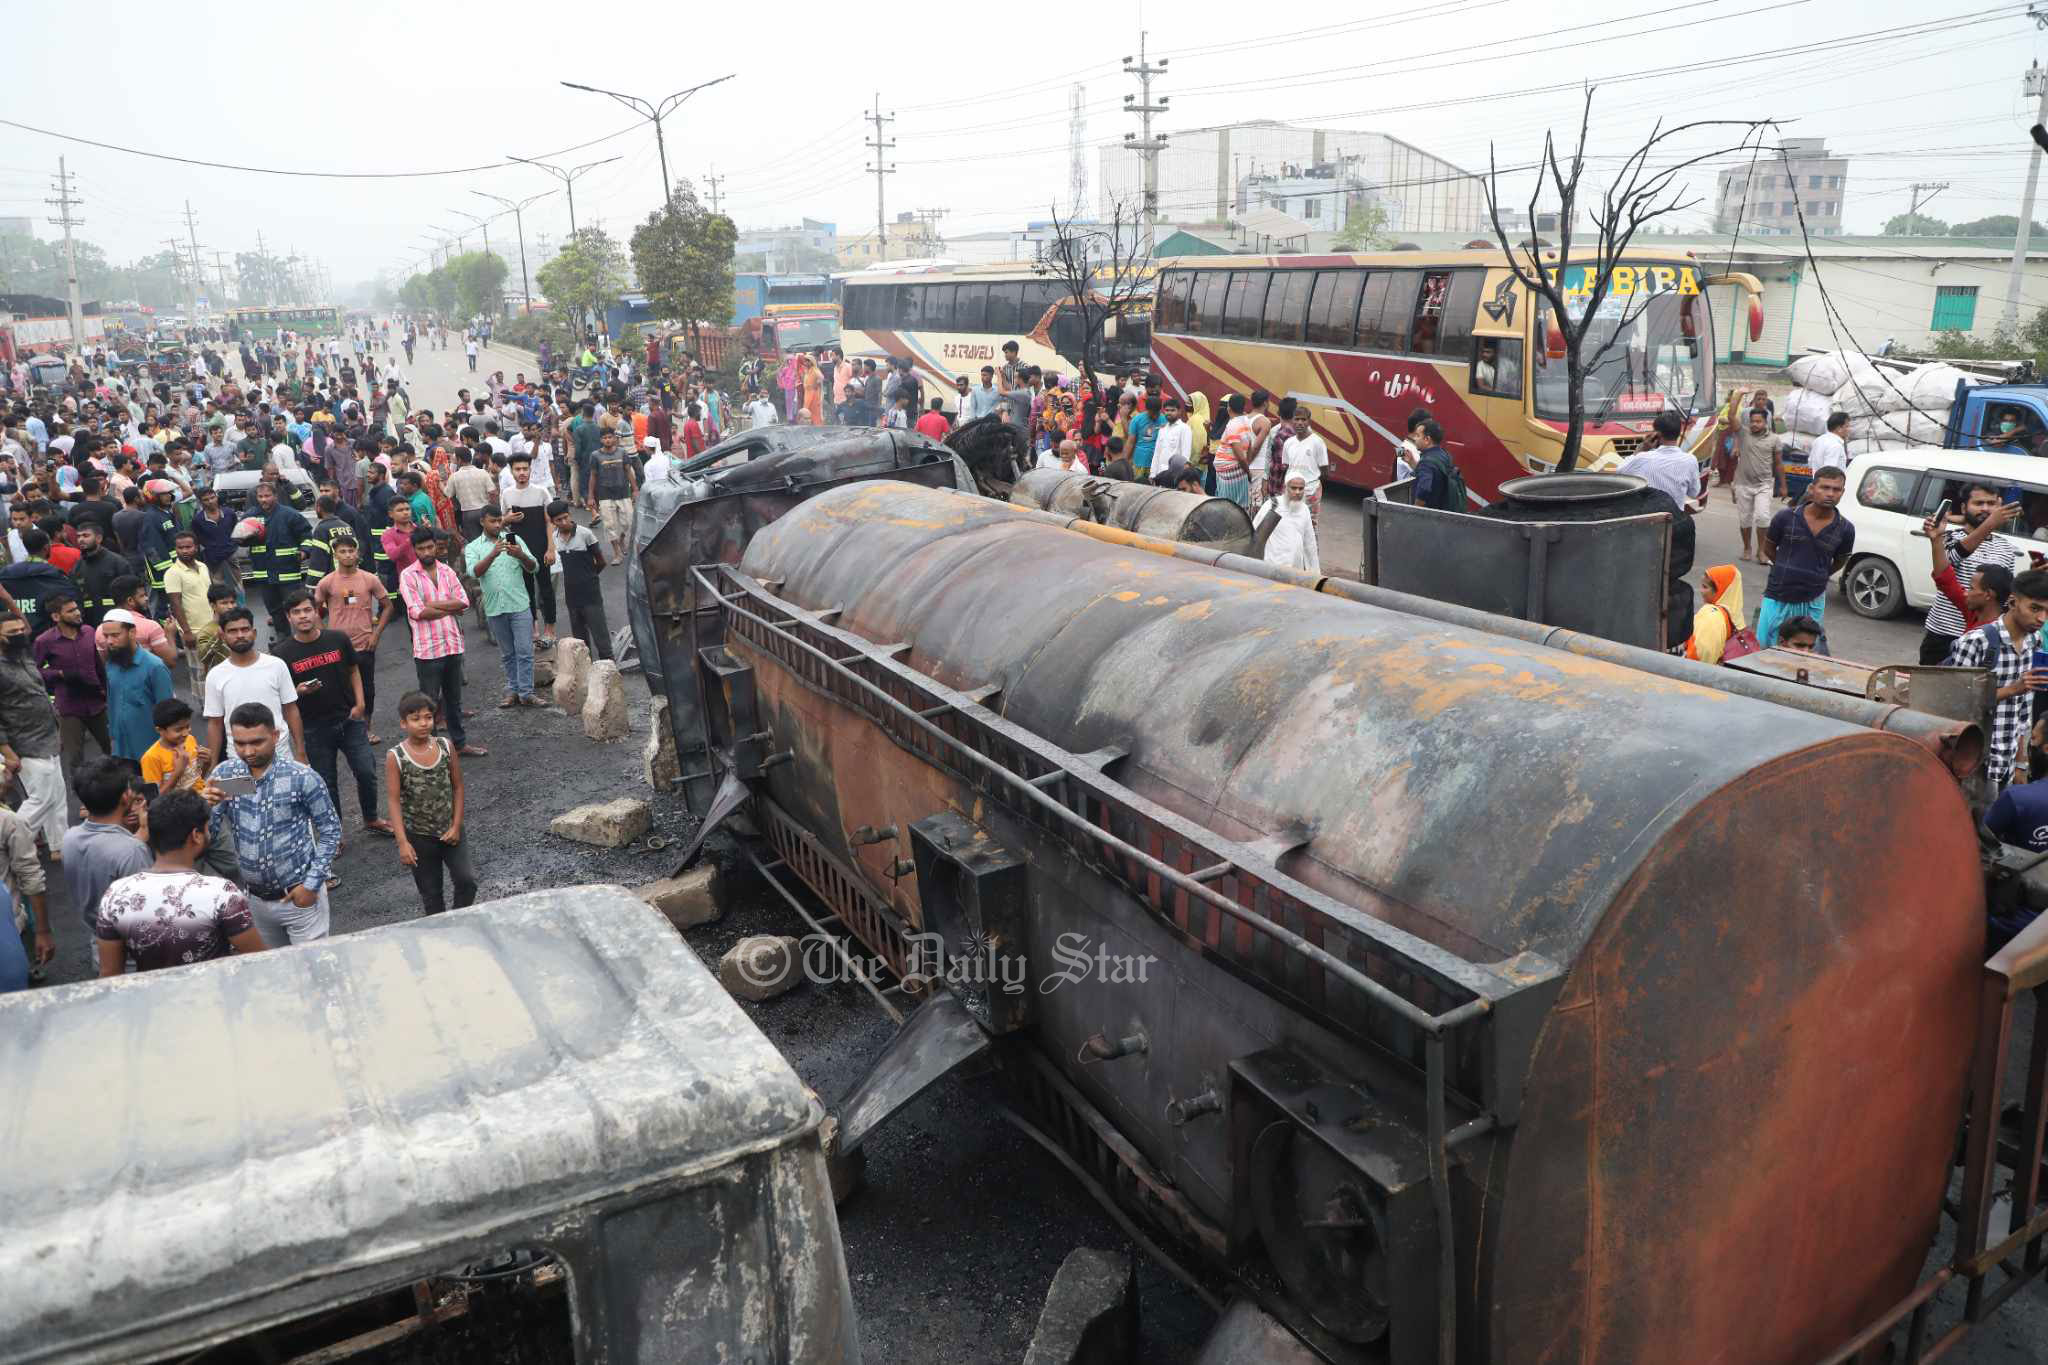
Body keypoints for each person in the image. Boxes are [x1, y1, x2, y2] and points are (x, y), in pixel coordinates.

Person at [204, 701, 341, 946]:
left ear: (275, 735)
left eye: (256, 742)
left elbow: (331, 830)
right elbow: (208, 836)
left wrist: (311, 885)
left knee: (313, 973)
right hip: (255, 903)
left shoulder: (302, 778)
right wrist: (205, 808)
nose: (247, 752)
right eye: (240, 744)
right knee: (275, 975)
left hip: (300, 899)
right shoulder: (227, 775)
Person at [95, 789, 266, 975]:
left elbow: (109, 974)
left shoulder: (116, 894)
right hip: (212, 998)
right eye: (207, 828)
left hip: (150, 1001)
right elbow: (260, 961)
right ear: (196, 835)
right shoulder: (222, 894)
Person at [275, 590, 388, 835]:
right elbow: (284, 697)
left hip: (349, 720)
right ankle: (334, 833)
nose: (303, 616)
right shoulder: (282, 655)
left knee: (367, 772)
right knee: (326, 784)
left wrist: (360, 705)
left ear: (317, 612)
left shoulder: (337, 639)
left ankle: (371, 818)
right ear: (288, 617)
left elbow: (353, 671)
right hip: (314, 728)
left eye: (307, 610)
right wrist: (298, 691)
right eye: (297, 612)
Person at [1944, 570, 2048, 787]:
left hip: (2006, 766)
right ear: (2012, 602)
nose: (2041, 619)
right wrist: (2013, 689)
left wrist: (2021, 764)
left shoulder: (2034, 642)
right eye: (2035, 608)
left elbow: (2022, 716)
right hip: (1971, 763)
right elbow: (1954, 703)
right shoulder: (1976, 642)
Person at [386, 690, 476, 917]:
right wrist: (402, 843)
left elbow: (458, 786)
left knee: (467, 882)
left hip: (450, 830)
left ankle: (458, 920)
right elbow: (393, 800)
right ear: (403, 723)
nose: (423, 723)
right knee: (431, 895)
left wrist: (456, 826)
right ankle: (440, 937)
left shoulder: (445, 746)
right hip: (419, 836)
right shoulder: (396, 756)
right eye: (415, 719)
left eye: (427, 717)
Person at [399, 527, 486, 757]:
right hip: (428, 650)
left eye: (430, 547)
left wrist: (433, 605)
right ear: (414, 549)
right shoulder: (408, 575)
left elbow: (464, 602)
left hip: (452, 645)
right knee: (428, 704)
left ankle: (459, 744)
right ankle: (431, 750)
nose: (427, 552)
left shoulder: (446, 570)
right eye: (421, 548)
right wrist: (448, 606)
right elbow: (417, 611)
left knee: (454, 700)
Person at [62, 758, 152, 968]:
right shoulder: (131, 850)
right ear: (126, 796)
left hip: (98, 944)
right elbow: (146, 912)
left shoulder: (70, 837)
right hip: (134, 957)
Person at [1923, 483, 2021, 666]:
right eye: (1979, 503)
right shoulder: (1950, 537)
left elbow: (2005, 593)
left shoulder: (2006, 547)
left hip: (1984, 637)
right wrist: (1990, 524)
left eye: (1991, 503)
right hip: (1943, 634)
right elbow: (1946, 569)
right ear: (1963, 508)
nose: (1985, 508)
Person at [1756, 465, 1854, 648]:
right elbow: (1768, 548)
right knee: (1765, 646)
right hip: (1778, 594)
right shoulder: (1785, 517)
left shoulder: (1845, 528)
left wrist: (1819, 573)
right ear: (1812, 488)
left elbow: (1841, 560)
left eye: (1836, 489)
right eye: (1825, 487)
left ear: (1842, 492)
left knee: (1804, 651)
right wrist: (1785, 567)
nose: (1830, 494)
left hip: (1813, 599)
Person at [0, 612, 67, 856]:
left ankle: (59, 846)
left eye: (21, 630)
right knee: (41, 799)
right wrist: (7, 753)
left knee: (58, 794)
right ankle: (9, 843)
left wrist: (56, 731)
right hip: (24, 743)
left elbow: (39, 695)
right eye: (12, 633)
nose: (20, 634)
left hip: (48, 736)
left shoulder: (23, 656)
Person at [314, 534, 393, 743]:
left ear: (357, 553)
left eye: (351, 551)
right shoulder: (327, 582)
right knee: (340, 688)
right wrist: (323, 636)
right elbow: (314, 611)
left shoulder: (369, 578)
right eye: (343, 551)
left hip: (365, 644)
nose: (348, 555)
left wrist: (376, 634)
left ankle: (366, 728)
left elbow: (388, 607)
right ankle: (344, 729)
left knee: (367, 688)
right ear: (336, 555)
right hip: (337, 646)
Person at [203, 606, 306, 765]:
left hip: (281, 755)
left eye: (245, 629)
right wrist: (213, 766)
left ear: (254, 632)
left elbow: (291, 709)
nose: (240, 635)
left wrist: (300, 752)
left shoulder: (276, 665)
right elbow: (215, 724)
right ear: (222, 636)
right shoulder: (215, 676)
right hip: (239, 759)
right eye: (233, 631)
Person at [464, 505, 542, 707]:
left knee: (525, 650)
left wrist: (521, 556)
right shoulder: (473, 547)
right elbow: (474, 573)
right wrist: (492, 554)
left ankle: (527, 692)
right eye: (493, 521)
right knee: (508, 654)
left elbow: (534, 567)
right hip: (495, 608)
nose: (497, 524)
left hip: (519, 605)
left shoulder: (514, 541)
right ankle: (513, 691)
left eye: (500, 521)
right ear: (482, 521)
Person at [34, 592, 112, 772]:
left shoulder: (89, 632)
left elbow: (98, 664)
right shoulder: (44, 641)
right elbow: (34, 670)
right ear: (56, 617)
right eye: (70, 611)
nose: (77, 613)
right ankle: (84, 795)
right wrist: (59, 673)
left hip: (97, 702)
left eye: (77, 608)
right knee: (76, 759)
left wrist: (106, 691)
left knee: (112, 748)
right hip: (69, 707)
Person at [100, 609, 174, 762]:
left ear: (132, 632)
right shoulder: (111, 665)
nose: (109, 641)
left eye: (115, 635)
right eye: (106, 636)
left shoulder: (155, 667)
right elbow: (112, 704)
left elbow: (168, 714)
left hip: (151, 753)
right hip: (121, 752)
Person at [1922, 512, 2013, 634]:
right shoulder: (1974, 614)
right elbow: (1945, 579)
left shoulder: (2003, 631)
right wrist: (1936, 539)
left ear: (1988, 595)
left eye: (1971, 588)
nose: (1965, 593)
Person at [550, 499, 613, 662]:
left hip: (590, 593)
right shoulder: (554, 538)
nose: (564, 522)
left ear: (570, 515)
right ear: (552, 522)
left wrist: (590, 577)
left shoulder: (585, 533)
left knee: (601, 635)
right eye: (558, 520)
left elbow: (601, 561)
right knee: (580, 639)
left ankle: (609, 668)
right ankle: (587, 669)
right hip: (571, 595)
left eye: (565, 517)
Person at [1729, 407, 1784, 563]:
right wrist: (1738, 394)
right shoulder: (1743, 433)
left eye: (1758, 421)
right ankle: (1747, 548)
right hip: (1743, 484)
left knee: (1763, 517)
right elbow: (1731, 415)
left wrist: (1783, 486)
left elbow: (1779, 464)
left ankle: (1762, 550)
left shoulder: (1774, 439)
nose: (1755, 424)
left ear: (1765, 422)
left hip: (1764, 484)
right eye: (1752, 421)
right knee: (1744, 519)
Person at [1615, 412, 1703, 510]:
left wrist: (1639, 450)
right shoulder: (1690, 460)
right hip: (1676, 519)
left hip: (1649, 518)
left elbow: (1619, 471)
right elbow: (1694, 493)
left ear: (1656, 434)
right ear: (1679, 432)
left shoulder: (1642, 458)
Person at [587, 427, 639, 561]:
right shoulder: (595, 455)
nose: (608, 440)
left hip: (623, 493)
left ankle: (621, 539)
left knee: (628, 522)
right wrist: (591, 496)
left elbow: (628, 471)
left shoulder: (622, 453)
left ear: (615, 438)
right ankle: (617, 553)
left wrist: (635, 489)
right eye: (604, 438)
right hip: (605, 495)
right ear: (600, 440)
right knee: (609, 525)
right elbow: (593, 476)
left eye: (610, 437)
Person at [141, 697, 208, 797]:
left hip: (199, 800)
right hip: (175, 809)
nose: (186, 733)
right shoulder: (151, 758)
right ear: (160, 730)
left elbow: (196, 778)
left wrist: (207, 764)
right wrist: (178, 772)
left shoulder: (190, 740)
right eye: (179, 730)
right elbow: (154, 799)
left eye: (188, 726)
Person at [1686, 565, 1749, 665]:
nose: (1701, 591)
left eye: (1705, 587)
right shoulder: (1737, 616)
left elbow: (1702, 653)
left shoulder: (1712, 616)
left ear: (1720, 590)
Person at [1279, 407, 1331, 524]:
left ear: (1309, 422)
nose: (1300, 423)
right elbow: (1286, 467)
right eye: (1297, 419)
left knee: (1311, 525)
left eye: (1303, 419)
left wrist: (1312, 484)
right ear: (1292, 421)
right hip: (1291, 492)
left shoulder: (1317, 442)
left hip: (1311, 492)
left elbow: (1325, 472)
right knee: (1290, 523)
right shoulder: (1289, 443)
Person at [1263, 473, 1321, 573]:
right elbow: (1255, 534)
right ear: (1285, 488)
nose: (1297, 492)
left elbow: (1310, 544)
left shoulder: (1304, 510)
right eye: (1293, 488)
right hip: (1271, 567)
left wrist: (1315, 573)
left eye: (1301, 488)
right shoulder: (1272, 505)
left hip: (1294, 570)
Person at [1411, 421, 1467, 512]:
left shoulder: (1426, 462)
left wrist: (1415, 509)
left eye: (1417, 435)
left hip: (1431, 516)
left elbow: (1424, 489)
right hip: (1445, 509)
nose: (1414, 438)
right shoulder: (1444, 454)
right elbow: (1435, 474)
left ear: (1427, 439)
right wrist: (1411, 462)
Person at [1150, 396, 1193, 485]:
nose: (1169, 413)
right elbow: (1157, 453)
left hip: (1175, 476)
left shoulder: (1185, 428)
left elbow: (1185, 456)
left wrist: (1182, 478)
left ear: (1179, 411)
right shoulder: (1162, 429)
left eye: (1172, 410)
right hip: (1159, 474)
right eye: (1167, 410)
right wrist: (1152, 474)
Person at [1127, 393, 1164, 479]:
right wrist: (1124, 461)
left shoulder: (1165, 420)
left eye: (1157, 413)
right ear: (1146, 409)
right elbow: (1130, 442)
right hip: (1139, 462)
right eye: (1152, 413)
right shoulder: (1136, 420)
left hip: (1157, 464)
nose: (1155, 416)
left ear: (1160, 410)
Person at [1808, 410, 1852, 480]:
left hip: (1817, 484)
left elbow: (1810, 463)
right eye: (1847, 426)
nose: (1850, 429)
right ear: (1839, 429)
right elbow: (1829, 473)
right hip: (1830, 486)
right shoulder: (1835, 446)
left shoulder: (1818, 440)